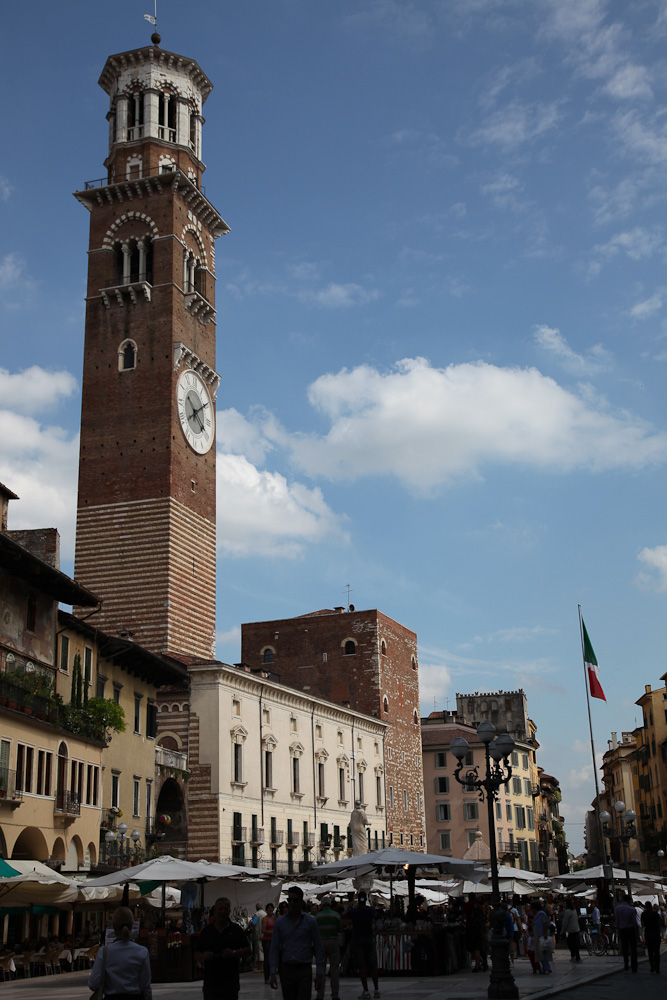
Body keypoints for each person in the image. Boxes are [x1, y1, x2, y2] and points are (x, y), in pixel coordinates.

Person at [269, 885, 325, 1000]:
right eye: (289, 900)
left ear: (301, 902)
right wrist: (272, 972)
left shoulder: (310, 922)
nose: (292, 903)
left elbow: (318, 947)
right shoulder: (280, 922)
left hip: (304, 969)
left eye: (295, 900)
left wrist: (319, 973)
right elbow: (274, 948)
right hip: (287, 969)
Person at [88, 906, 152, 1000]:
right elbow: (145, 986)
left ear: (113, 926)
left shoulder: (104, 952)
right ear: (132, 926)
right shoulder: (142, 952)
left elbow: (93, 983)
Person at [195, 897, 252, 1000]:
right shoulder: (207, 931)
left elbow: (248, 950)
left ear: (229, 911)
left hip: (230, 982)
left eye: (226, 909)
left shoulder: (236, 930)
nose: (223, 912)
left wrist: (234, 953)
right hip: (211, 982)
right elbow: (197, 953)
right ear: (215, 910)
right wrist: (204, 956)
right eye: (220, 909)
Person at [346, 890, 380, 999]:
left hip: (358, 939)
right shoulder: (370, 910)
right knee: (372, 965)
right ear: (365, 899)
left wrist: (351, 905)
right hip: (369, 939)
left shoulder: (354, 911)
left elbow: (346, 914)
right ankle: (376, 990)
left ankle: (366, 991)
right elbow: (375, 915)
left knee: (362, 966)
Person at [315, 897, 343, 1000]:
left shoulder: (317, 916)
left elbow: (314, 930)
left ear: (322, 904)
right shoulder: (336, 915)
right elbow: (340, 929)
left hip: (321, 943)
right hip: (333, 942)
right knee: (334, 970)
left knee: (321, 969)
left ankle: (320, 994)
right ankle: (335, 995)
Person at [615, 894, 638, 972]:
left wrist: (618, 929)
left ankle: (626, 964)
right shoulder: (631, 909)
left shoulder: (617, 909)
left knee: (624, 947)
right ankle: (634, 965)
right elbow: (634, 922)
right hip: (630, 929)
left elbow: (617, 921)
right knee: (633, 948)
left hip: (622, 929)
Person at [532, 901, 552, 975]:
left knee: (543, 953)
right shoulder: (538, 914)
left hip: (541, 936)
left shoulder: (541, 914)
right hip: (539, 935)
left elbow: (545, 923)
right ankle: (545, 968)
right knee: (541, 953)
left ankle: (547, 968)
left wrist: (544, 934)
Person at [641, 901, 661, 973]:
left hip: (648, 933)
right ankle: (657, 967)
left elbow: (642, 924)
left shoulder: (643, 914)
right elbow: (659, 923)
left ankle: (652, 966)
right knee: (656, 951)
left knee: (650, 951)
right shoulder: (655, 914)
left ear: (645, 907)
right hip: (655, 933)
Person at [261, 903, 276, 984]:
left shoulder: (274, 918)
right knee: (267, 958)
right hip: (266, 940)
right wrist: (272, 932)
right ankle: (266, 977)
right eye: (269, 908)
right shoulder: (265, 919)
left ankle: (272, 974)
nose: (270, 910)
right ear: (266, 910)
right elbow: (263, 930)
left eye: (271, 908)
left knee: (273, 958)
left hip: (273, 940)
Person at [252, 903, 267, 972]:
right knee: (264, 950)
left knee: (259, 951)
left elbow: (253, 923)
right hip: (265, 935)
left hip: (258, 935)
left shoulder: (257, 914)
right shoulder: (265, 914)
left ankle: (261, 967)